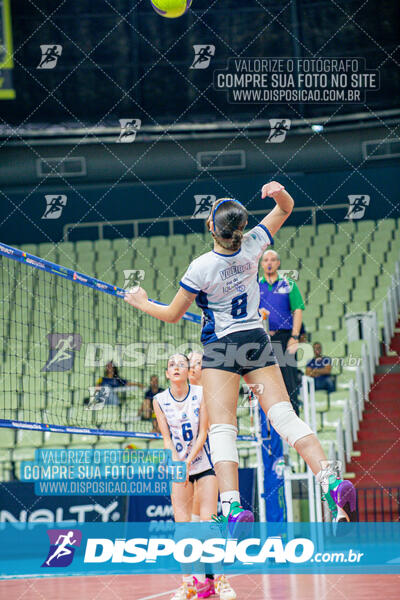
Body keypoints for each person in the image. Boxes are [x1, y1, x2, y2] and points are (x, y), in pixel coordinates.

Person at [125, 182, 357, 526]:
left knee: (222, 429)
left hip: (220, 347)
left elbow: (173, 314)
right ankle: (330, 479)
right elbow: (286, 208)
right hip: (255, 339)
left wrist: (143, 303)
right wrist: (278, 193)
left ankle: (233, 506)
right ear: (242, 228)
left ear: (211, 229)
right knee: (283, 416)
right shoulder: (254, 244)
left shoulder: (200, 267)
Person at [153, 353, 220, 600]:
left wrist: (189, 460)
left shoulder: (203, 393)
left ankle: (214, 580)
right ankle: (194, 582)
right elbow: (166, 438)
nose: (181, 367)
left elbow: (204, 431)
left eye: (187, 364)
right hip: (181, 465)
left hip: (204, 462)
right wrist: (176, 463)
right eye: (173, 365)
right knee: (185, 527)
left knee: (207, 524)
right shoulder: (160, 400)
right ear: (167, 373)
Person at [188, 351, 236, 600]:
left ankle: (220, 579)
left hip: (209, 462)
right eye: (191, 362)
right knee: (194, 526)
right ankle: (200, 581)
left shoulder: (213, 393)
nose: (195, 366)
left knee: (208, 521)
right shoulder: (179, 399)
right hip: (190, 468)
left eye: (200, 362)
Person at [259, 249, 304, 415]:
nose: (269, 263)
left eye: (272, 260)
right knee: (266, 382)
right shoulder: (255, 286)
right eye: (266, 260)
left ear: (278, 263)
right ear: (262, 264)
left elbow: (298, 310)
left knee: (289, 381)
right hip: (264, 340)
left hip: (286, 338)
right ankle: (270, 425)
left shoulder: (289, 284)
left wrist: (295, 337)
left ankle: (295, 421)